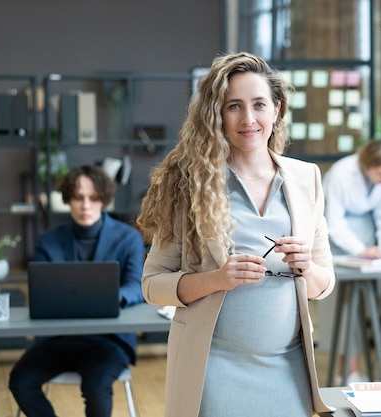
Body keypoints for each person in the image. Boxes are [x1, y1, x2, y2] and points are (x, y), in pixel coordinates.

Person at [136, 52, 335, 417]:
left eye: (259, 104)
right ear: (216, 115)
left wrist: (306, 267)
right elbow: (152, 285)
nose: (248, 119)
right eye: (234, 106)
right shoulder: (188, 184)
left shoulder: (307, 179)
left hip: (289, 371)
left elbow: (324, 285)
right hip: (212, 369)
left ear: (276, 110)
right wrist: (217, 279)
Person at [9, 165, 146, 417]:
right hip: (57, 338)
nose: (86, 205)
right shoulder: (48, 242)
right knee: (20, 381)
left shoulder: (128, 238)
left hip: (109, 340)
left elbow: (137, 285)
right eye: (78, 197)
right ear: (68, 199)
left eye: (93, 198)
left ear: (103, 199)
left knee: (96, 386)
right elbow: (42, 293)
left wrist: (114, 296)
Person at [322, 138, 381, 384]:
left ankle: (355, 371)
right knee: (343, 306)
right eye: (380, 174)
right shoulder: (341, 173)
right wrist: (361, 249)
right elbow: (334, 223)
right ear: (366, 165)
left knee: (367, 306)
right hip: (338, 241)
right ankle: (345, 372)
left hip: (370, 240)